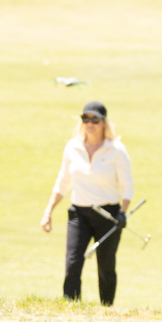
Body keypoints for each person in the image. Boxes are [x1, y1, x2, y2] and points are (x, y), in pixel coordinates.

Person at [40, 100, 134, 306]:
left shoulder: (116, 150)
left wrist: (123, 212)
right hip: (79, 214)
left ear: (104, 123)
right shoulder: (73, 147)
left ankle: (106, 308)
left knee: (106, 266)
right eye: (85, 119)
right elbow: (63, 182)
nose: (90, 123)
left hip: (108, 215)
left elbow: (127, 186)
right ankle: (71, 308)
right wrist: (48, 212)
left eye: (95, 119)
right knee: (73, 263)